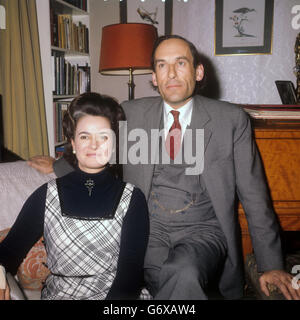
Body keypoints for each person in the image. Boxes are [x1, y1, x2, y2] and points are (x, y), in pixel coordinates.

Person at [27, 35, 300, 300]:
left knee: (184, 271)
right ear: (154, 78)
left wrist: (270, 264)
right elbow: (97, 147)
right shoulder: (131, 113)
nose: (171, 73)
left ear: (199, 72)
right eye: (161, 65)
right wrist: (59, 165)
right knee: (140, 272)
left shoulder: (230, 120)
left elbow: (255, 196)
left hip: (203, 230)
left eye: (180, 63)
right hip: (146, 227)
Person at [0, 92, 149, 300]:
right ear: (73, 142)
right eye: (85, 136)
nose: (94, 145)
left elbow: (129, 278)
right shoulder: (45, 196)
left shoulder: (133, 198)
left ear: (114, 144)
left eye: (103, 137)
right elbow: (8, 252)